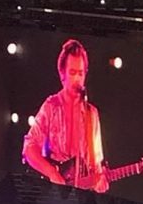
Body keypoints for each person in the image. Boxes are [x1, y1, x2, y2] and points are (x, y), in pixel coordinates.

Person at [23, 39, 108, 193]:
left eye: (81, 73)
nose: (77, 79)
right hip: (54, 194)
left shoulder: (92, 114)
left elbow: (96, 165)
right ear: (62, 74)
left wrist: (99, 183)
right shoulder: (51, 105)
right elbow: (29, 148)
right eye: (72, 72)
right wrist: (52, 173)